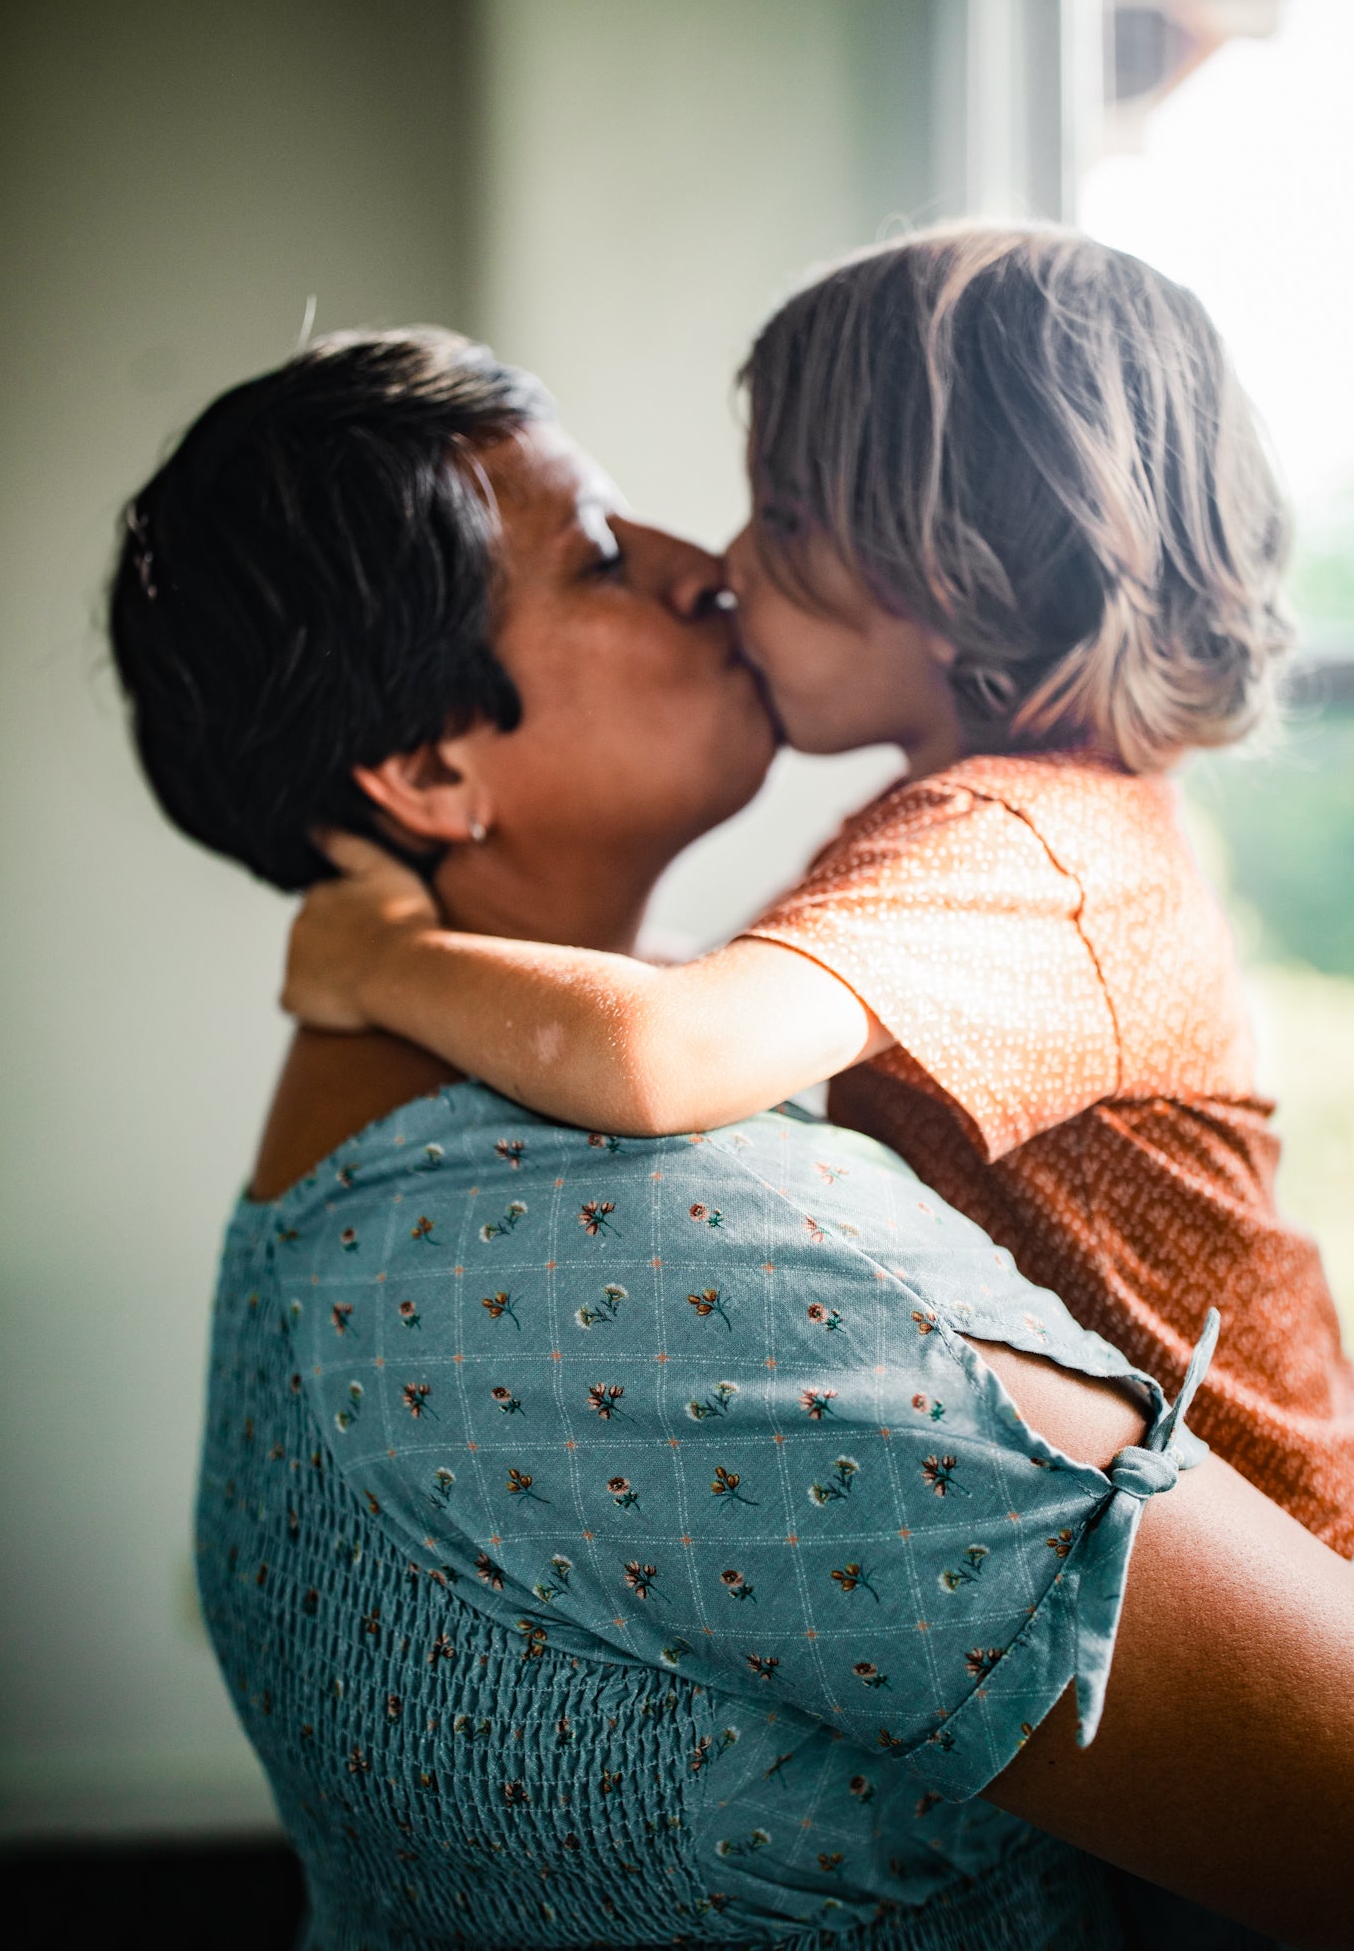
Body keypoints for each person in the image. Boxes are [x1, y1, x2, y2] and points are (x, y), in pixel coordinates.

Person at [107, 328, 1354, 1949]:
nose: (711, 571)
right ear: (427, 772)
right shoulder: (677, 1275)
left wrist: (376, 959)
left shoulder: (323, 1174)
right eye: (604, 561)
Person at [280, 229, 1354, 1557]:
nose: (727, 558)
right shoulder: (1003, 828)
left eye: (785, 518)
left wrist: (385, 957)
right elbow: (724, 1015)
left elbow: (663, 1055)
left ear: (957, 573)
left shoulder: (1021, 848)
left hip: (1287, 1577)